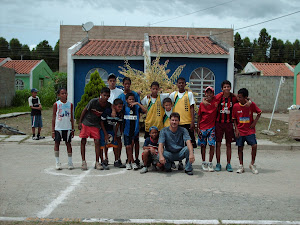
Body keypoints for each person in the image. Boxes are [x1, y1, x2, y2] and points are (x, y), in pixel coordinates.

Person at [78, 87, 111, 170]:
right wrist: (80, 122)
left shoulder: (108, 105)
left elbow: (113, 108)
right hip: (86, 122)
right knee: (83, 141)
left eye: (107, 96)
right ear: (100, 95)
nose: (105, 97)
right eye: (104, 95)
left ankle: (97, 162)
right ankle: (83, 161)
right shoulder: (93, 101)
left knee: (97, 142)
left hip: (96, 125)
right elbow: (84, 110)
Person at [232, 88, 262, 174]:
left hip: (249, 130)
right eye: (238, 97)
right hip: (240, 130)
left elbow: (259, 112)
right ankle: (241, 165)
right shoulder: (236, 106)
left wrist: (254, 123)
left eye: (240, 97)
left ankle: (252, 164)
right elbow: (234, 119)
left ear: (245, 98)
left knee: (254, 145)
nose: (239, 98)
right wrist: (236, 129)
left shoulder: (251, 105)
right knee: (240, 147)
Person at [169, 77, 196, 170]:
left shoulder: (189, 94)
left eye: (182, 83)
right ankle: (179, 162)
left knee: (189, 143)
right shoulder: (173, 95)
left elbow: (192, 107)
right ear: (177, 84)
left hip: (187, 122)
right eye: (179, 83)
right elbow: (165, 101)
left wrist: (193, 121)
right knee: (178, 144)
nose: (181, 84)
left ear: (185, 84)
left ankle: (189, 162)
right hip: (177, 123)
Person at [214, 80, 238, 172]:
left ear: (230, 88)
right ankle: (218, 163)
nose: (226, 88)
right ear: (222, 88)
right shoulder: (218, 97)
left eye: (228, 87)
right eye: (225, 87)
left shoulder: (233, 98)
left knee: (228, 144)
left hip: (229, 123)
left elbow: (244, 99)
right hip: (219, 123)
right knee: (218, 143)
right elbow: (209, 99)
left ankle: (228, 163)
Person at [118, 77, 142, 167]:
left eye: (128, 83)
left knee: (135, 142)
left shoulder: (135, 94)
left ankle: (136, 159)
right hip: (126, 123)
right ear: (123, 84)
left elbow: (139, 108)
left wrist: (137, 122)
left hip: (134, 123)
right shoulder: (121, 96)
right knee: (128, 144)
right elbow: (117, 106)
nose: (127, 85)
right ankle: (129, 159)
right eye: (125, 84)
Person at [51, 88, 74, 170]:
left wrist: (72, 129)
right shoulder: (56, 104)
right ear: (59, 95)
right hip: (58, 128)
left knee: (68, 144)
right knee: (57, 144)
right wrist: (53, 130)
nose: (64, 95)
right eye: (62, 93)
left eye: (65, 93)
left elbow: (71, 117)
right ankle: (57, 162)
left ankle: (70, 162)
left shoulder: (70, 104)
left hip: (67, 127)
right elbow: (54, 117)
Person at [123, 92, 147, 170]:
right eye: (130, 99)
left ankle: (130, 162)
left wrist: (138, 103)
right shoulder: (124, 108)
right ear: (126, 100)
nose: (131, 100)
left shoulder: (137, 108)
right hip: (127, 131)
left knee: (133, 146)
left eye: (133, 99)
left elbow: (145, 110)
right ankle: (131, 162)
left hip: (135, 131)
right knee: (128, 147)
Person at [197, 86, 218, 172]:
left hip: (211, 127)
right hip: (202, 128)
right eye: (207, 93)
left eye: (211, 93)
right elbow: (199, 116)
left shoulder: (215, 103)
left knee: (212, 145)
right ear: (205, 94)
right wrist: (198, 127)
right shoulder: (202, 104)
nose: (209, 94)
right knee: (203, 145)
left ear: (213, 94)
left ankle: (210, 162)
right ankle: (203, 162)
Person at [107, 73, 125, 168]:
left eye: (114, 81)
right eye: (110, 81)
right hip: (108, 119)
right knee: (107, 138)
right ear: (108, 82)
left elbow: (122, 104)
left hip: (118, 119)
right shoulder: (106, 91)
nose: (112, 82)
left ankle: (117, 159)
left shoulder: (120, 92)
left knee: (118, 139)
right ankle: (105, 159)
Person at [100, 98, 123, 170]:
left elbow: (117, 125)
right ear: (114, 106)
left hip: (112, 129)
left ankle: (116, 160)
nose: (120, 108)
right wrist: (105, 134)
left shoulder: (119, 114)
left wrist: (115, 135)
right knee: (104, 145)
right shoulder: (107, 111)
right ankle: (105, 160)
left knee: (115, 144)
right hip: (104, 129)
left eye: (121, 107)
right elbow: (101, 122)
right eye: (119, 107)